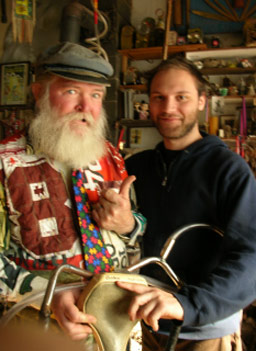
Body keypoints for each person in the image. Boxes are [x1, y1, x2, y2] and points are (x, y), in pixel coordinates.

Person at [0, 42, 145, 340]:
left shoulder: (111, 156)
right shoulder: (4, 162)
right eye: (71, 92)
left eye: (95, 95)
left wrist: (130, 225)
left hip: (118, 324)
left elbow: (137, 229)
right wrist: (49, 294)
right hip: (37, 328)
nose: (85, 107)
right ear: (39, 93)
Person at [117, 56, 256, 351]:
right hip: (144, 324)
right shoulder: (135, 168)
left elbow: (251, 256)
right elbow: (131, 238)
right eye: (159, 98)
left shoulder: (228, 169)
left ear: (202, 101)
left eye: (181, 97)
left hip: (205, 330)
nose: (168, 108)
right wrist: (126, 227)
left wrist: (188, 304)